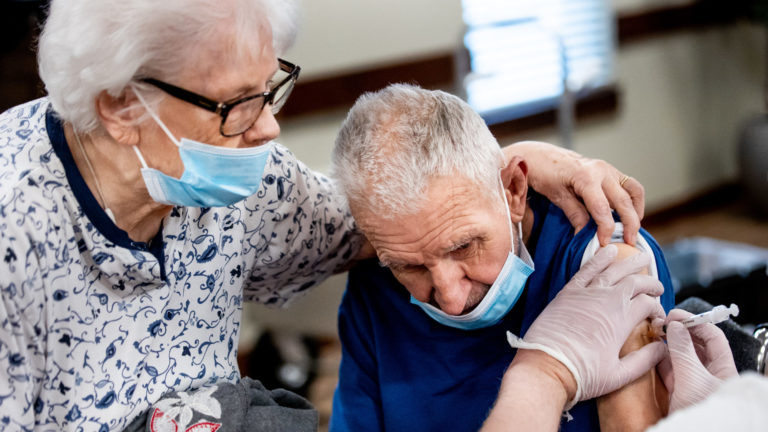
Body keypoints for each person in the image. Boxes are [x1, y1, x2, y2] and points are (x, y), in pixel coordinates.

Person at [0, 0, 650, 430]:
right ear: (120, 107)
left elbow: (404, 214)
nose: (268, 128)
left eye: (269, 88)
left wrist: (510, 165)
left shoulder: (243, 187)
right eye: (235, 105)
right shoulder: (15, 227)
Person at [328, 84, 675, 432]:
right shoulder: (375, 286)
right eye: (411, 267)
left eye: (464, 246)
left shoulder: (603, 260)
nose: (451, 299)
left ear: (513, 191)